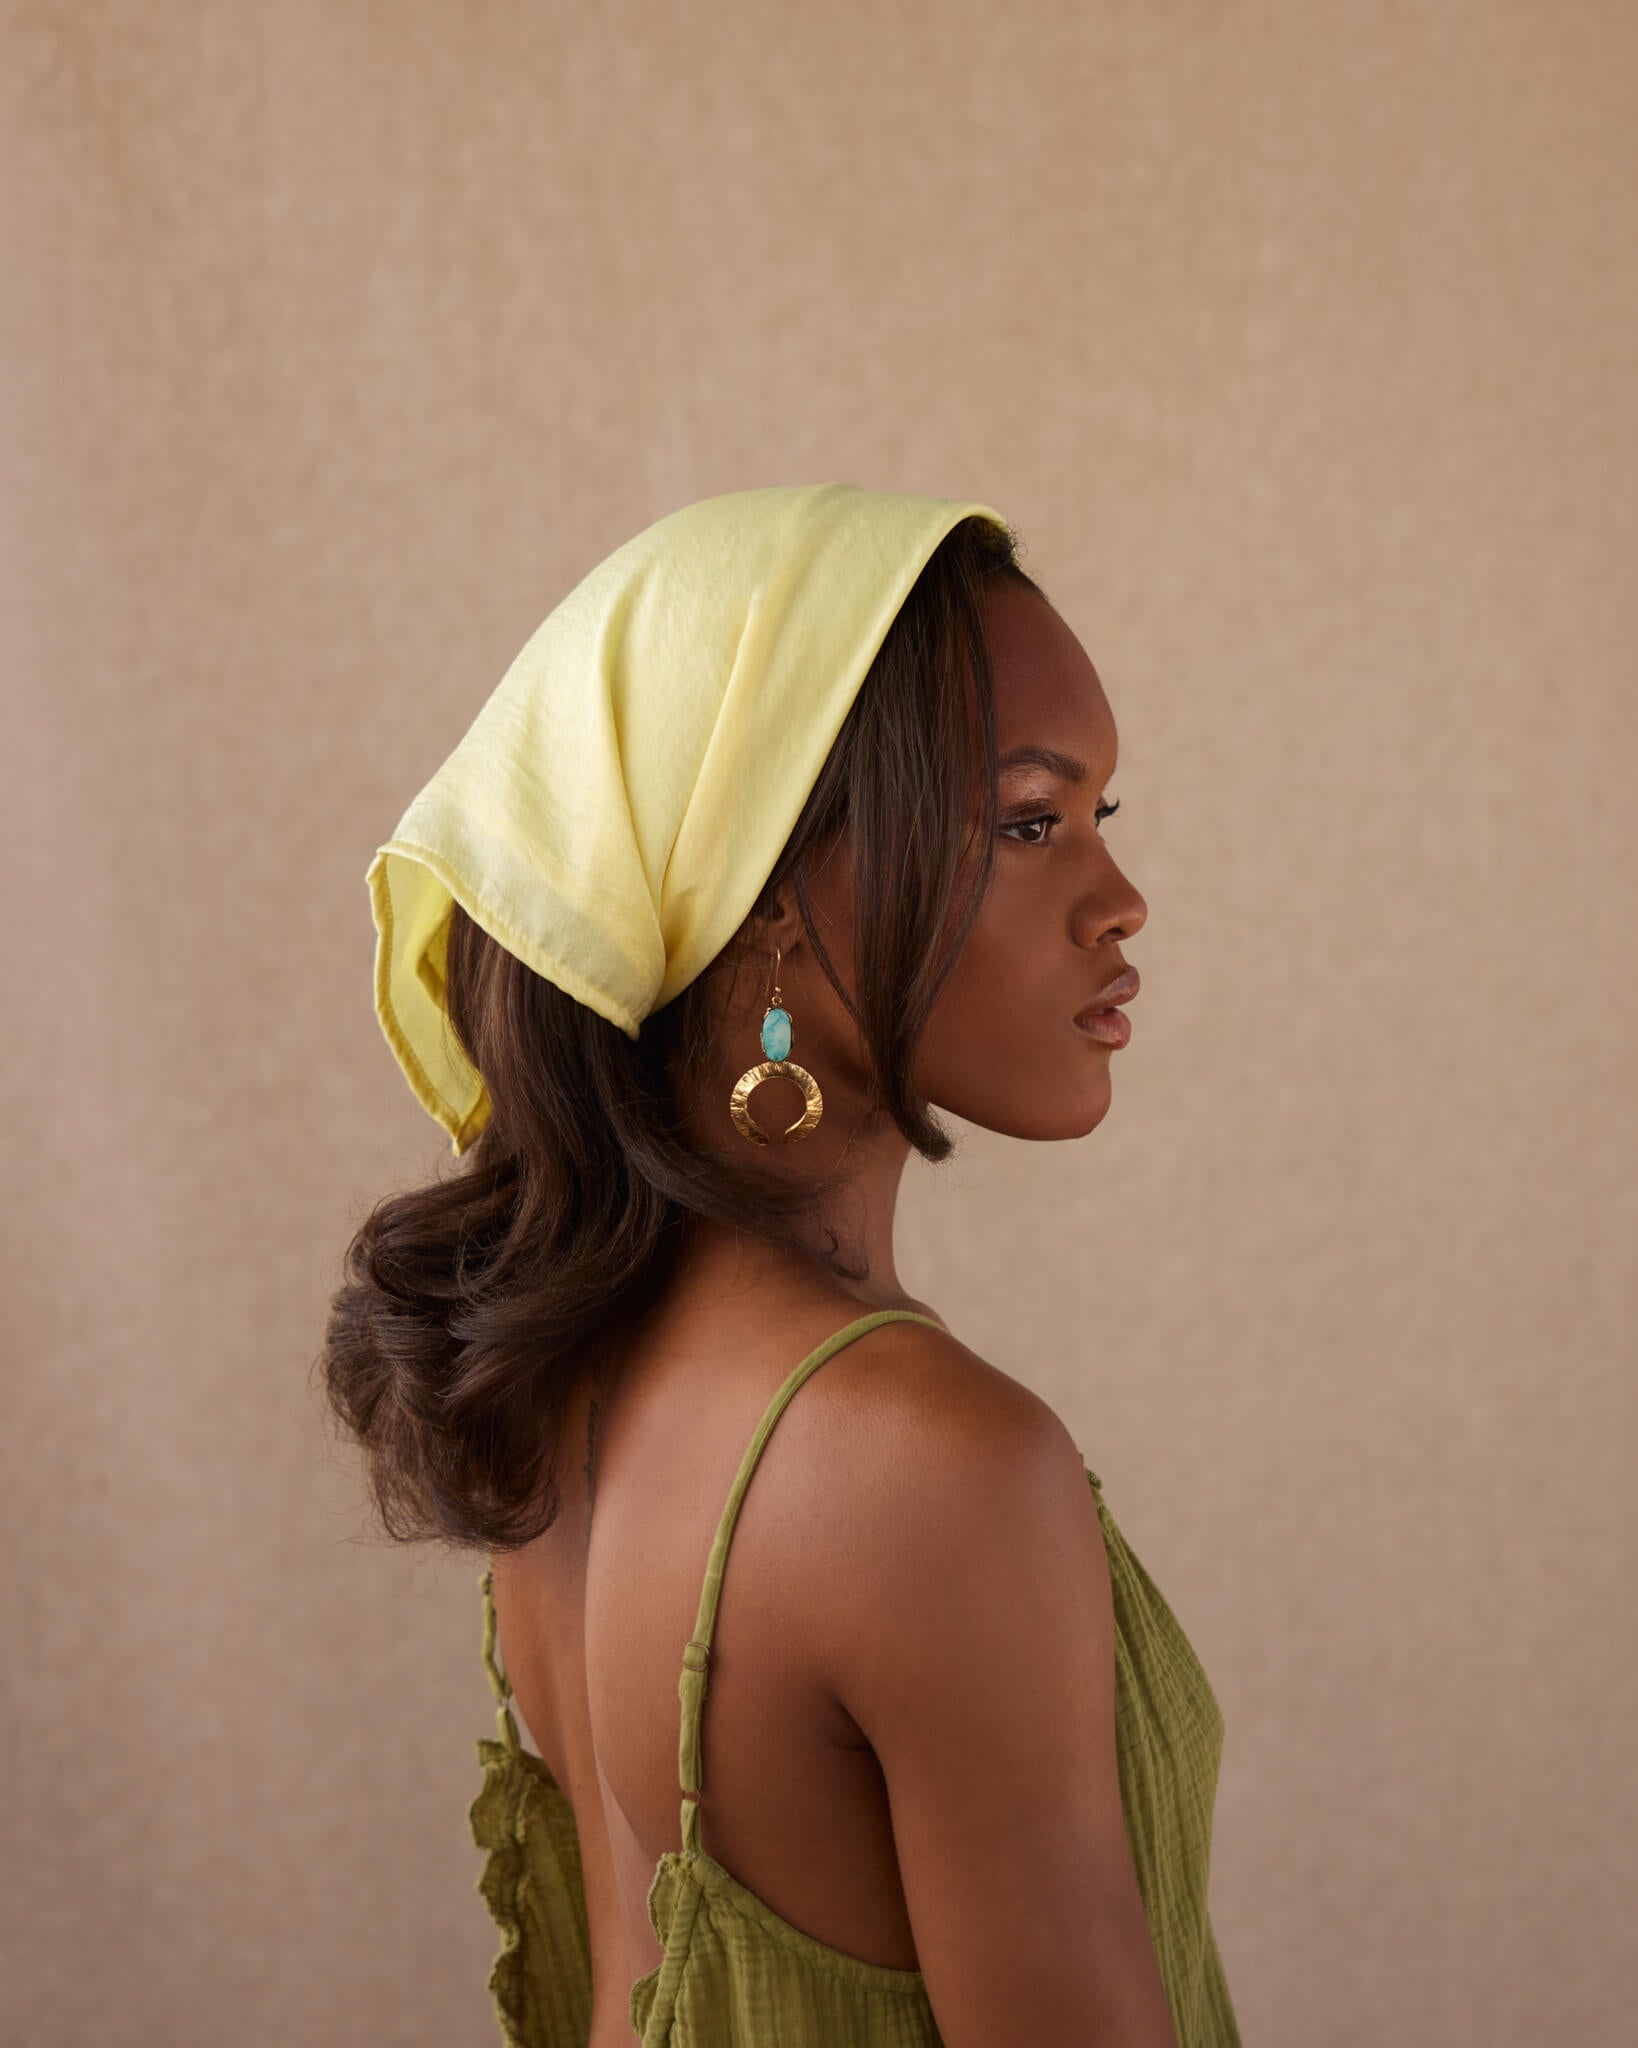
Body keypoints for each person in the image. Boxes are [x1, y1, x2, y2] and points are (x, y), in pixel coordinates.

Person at [320, 484, 1241, 2046]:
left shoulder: (571, 1389)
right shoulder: (926, 1467)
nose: (1117, 900)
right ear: (768, 902)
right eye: (1029, 823)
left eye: (1103, 817)